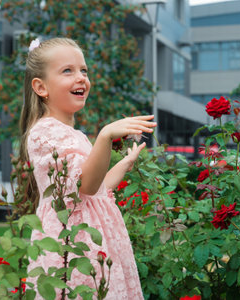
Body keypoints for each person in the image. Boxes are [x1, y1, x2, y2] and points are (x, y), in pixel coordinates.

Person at [19, 37, 156, 299]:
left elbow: (95, 188)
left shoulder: (75, 135)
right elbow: (87, 185)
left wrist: (124, 164)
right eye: (67, 71)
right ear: (40, 87)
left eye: (84, 70)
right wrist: (105, 135)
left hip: (92, 240)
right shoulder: (44, 133)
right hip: (72, 244)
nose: (81, 77)